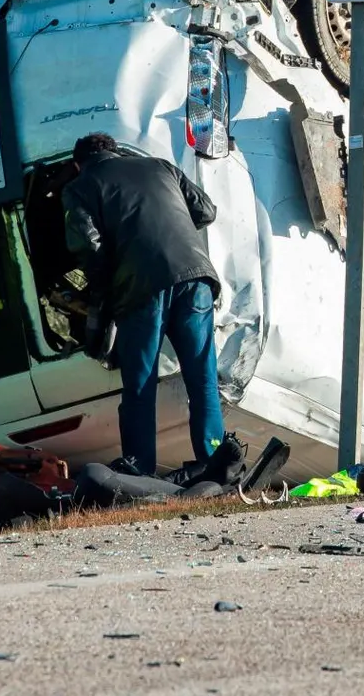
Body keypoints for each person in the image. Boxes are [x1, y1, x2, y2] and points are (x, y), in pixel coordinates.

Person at [63, 133, 234, 485]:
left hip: (141, 289)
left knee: (140, 385)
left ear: (77, 164)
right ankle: (217, 462)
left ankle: (140, 470)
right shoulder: (160, 166)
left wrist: (104, 290)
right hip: (196, 278)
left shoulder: (80, 186)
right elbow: (206, 210)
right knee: (202, 379)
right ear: (115, 151)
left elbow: (88, 246)